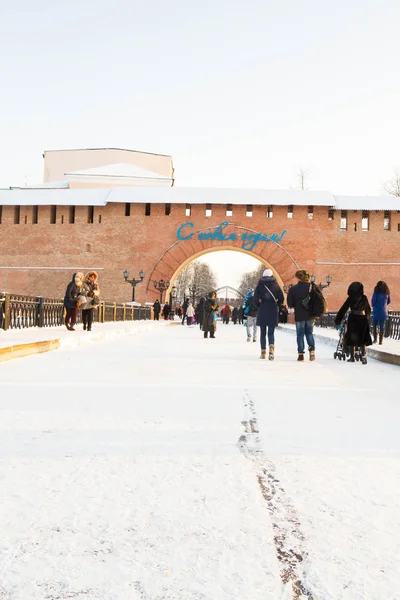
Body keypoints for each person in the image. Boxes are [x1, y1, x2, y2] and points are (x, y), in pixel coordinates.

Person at [335, 282, 372, 363]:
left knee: (352, 337)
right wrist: (366, 317)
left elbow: (344, 309)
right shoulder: (364, 298)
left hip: (353, 319)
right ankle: (364, 357)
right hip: (363, 319)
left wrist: (338, 319)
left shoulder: (351, 298)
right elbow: (368, 310)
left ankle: (352, 357)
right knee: (362, 338)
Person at [254, 269, 284, 360]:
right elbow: (281, 298)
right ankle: (271, 349)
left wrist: (259, 305)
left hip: (263, 309)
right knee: (271, 332)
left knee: (263, 333)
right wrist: (277, 305)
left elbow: (255, 299)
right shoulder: (276, 285)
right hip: (272, 310)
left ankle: (263, 352)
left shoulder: (260, 285)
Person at [287, 270, 316, 362]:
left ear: (298, 277)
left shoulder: (293, 289)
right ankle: (312, 351)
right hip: (310, 315)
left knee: (300, 335)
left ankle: (301, 355)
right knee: (309, 333)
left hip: (299, 315)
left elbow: (290, 302)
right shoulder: (312, 287)